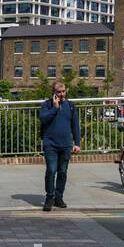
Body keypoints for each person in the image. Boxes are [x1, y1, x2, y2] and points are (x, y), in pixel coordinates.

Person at [39, 79, 81, 211]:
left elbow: (75, 126)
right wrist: (55, 108)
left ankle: (59, 197)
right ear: (54, 92)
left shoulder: (71, 106)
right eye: (59, 92)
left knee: (62, 172)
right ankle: (49, 197)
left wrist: (77, 143)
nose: (62, 94)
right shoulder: (46, 105)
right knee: (51, 171)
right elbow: (43, 118)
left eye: (63, 91)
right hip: (50, 144)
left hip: (66, 145)